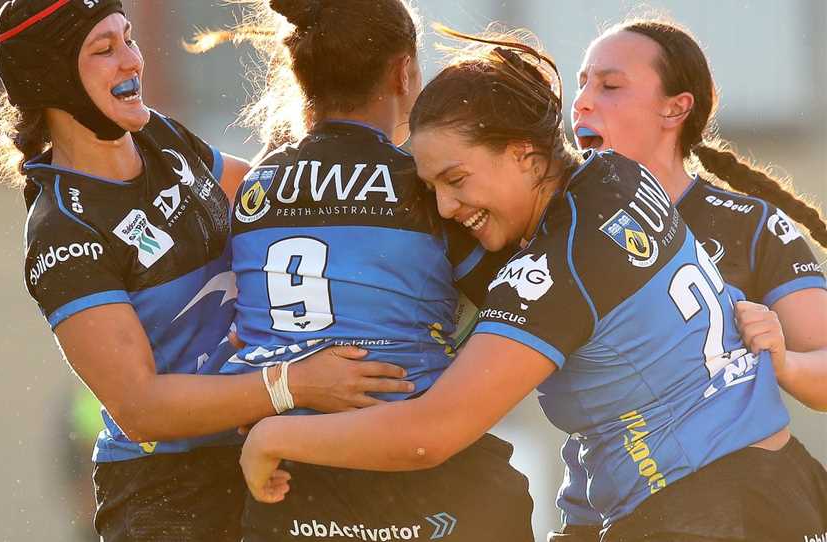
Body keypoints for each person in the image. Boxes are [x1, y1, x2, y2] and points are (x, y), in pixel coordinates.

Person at [238, 26, 827, 542]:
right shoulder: (617, 176)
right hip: (773, 487)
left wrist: (273, 432)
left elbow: (431, 433)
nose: (444, 206)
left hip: (704, 511)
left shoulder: (559, 268)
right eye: (432, 187)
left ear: (525, 155)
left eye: (456, 178)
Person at [0, 1, 415, 540]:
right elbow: (141, 407)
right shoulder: (62, 230)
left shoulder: (161, 138)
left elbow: (272, 200)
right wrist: (293, 383)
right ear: (51, 79)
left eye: (130, 38)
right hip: (168, 492)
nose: (131, 61)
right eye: (104, 50)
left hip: (263, 454)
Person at [187, 1, 534, 541]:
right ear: (403, 72)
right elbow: (512, 304)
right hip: (414, 475)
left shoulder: (252, 187)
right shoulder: (425, 187)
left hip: (289, 486)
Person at [552, 18, 827, 540]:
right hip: (600, 509)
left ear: (675, 108)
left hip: (743, 500)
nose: (583, 101)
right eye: (582, 82)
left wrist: (784, 360)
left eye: (610, 86)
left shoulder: (751, 224)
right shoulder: (552, 225)